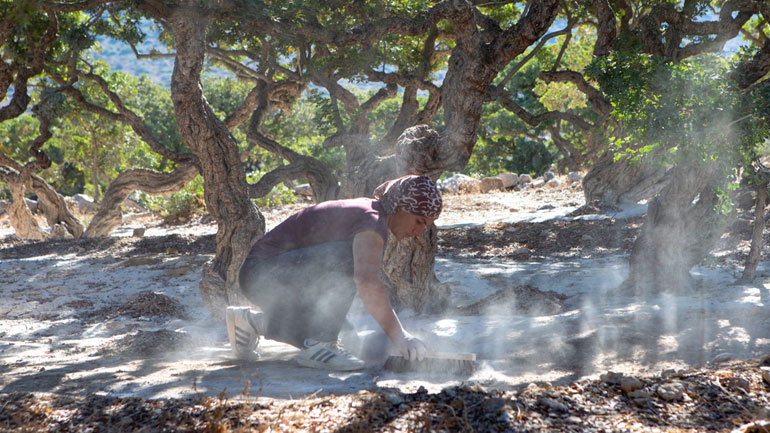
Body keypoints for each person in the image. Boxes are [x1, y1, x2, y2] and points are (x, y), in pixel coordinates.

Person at [226, 175, 443, 371]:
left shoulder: (372, 214)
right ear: (400, 206)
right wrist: (401, 336)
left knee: (350, 341)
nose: (418, 232)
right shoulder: (372, 220)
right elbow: (366, 280)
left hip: (267, 278)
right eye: (419, 221)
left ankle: (250, 322)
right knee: (348, 259)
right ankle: (321, 345)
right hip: (262, 275)